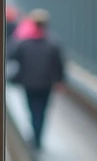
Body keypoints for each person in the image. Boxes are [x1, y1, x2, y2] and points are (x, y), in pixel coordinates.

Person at [8, 9, 65, 150]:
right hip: (46, 84)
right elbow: (59, 65)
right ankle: (38, 137)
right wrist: (60, 81)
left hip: (29, 83)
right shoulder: (53, 44)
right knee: (42, 110)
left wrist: (18, 36)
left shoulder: (24, 43)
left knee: (32, 109)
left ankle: (35, 136)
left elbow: (11, 55)